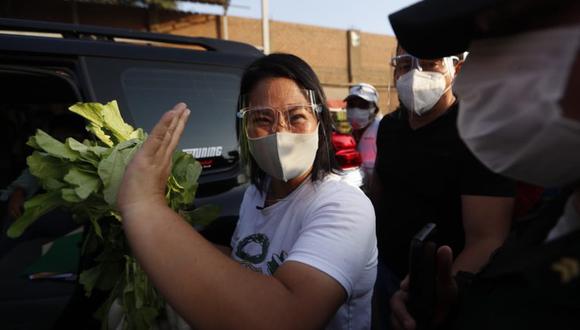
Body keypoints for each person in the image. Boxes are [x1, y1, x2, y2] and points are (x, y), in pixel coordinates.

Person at [117, 53, 378, 329]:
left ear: (320, 125)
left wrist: (145, 207)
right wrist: (164, 242)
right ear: (245, 129)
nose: (280, 131)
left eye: (296, 117)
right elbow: (245, 262)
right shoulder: (257, 192)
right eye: (262, 119)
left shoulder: (344, 206)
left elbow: (287, 317)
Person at [388, 0, 580, 329]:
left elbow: (487, 237)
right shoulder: (563, 210)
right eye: (480, 45)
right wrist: (459, 302)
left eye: (511, 28)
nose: (467, 84)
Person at [371, 41, 516, 329]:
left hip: (445, 290)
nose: (414, 74)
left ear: (457, 68)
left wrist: (437, 291)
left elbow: (487, 238)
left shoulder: (481, 134)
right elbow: (378, 196)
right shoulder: (389, 127)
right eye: (404, 65)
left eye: (429, 64)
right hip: (383, 272)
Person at [345, 83, 382, 188]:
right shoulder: (348, 135)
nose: (356, 109)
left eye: (362, 105)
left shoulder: (382, 131)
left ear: (375, 109)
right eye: (351, 104)